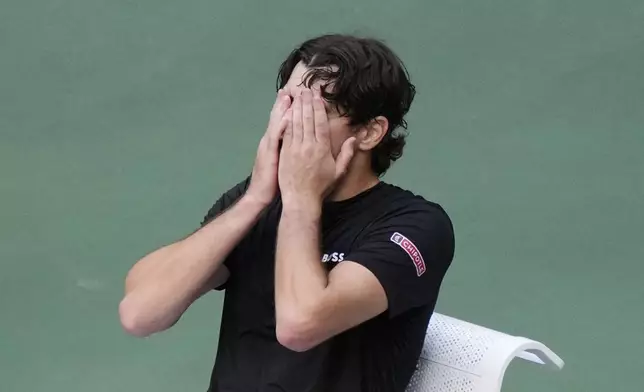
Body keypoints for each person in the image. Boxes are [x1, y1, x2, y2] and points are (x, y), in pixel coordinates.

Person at [119, 34, 455, 392]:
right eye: (289, 105)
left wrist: (300, 199)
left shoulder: (416, 225)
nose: (290, 126)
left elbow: (300, 325)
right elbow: (141, 314)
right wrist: (253, 200)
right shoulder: (258, 203)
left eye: (314, 114)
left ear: (371, 132)